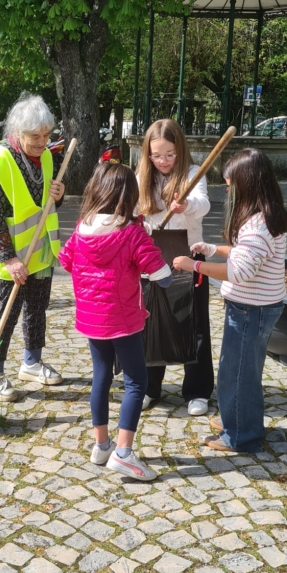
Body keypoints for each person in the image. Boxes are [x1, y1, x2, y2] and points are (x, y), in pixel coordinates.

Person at [59, 162, 171, 480]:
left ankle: (101, 445)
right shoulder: (131, 233)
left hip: (91, 319)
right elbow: (160, 276)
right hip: (123, 320)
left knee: (101, 376)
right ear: (129, 195)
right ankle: (123, 452)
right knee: (137, 381)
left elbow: (66, 260)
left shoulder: (82, 228)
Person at [174, 147, 287, 454]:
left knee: (237, 372)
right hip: (258, 306)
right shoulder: (265, 215)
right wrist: (213, 248)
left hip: (251, 309)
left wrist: (193, 265)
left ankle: (242, 436)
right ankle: (235, 418)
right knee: (241, 369)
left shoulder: (257, 225)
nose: (227, 190)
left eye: (230, 185)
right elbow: (244, 253)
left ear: (247, 184)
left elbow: (238, 271)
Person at [0, 92, 66, 401]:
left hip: (41, 251)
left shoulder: (47, 155)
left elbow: (48, 201)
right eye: (35, 136)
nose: (43, 141)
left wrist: (59, 193)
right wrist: (9, 259)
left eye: (46, 135)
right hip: (10, 257)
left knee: (38, 309)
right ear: (17, 131)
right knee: (8, 311)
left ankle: (31, 362)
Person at [137, 118, 213, 416]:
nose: (163, 161)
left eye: (170, 154)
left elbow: (203, 203)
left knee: (194, 324)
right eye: (156, 155)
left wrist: (187, 206)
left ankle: (198, 390)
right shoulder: (142, 175)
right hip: (151, 259)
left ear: (180, 150)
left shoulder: (193, 173)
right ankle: (148, 387)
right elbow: (130, 211)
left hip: (189, 258)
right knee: (149, 324)